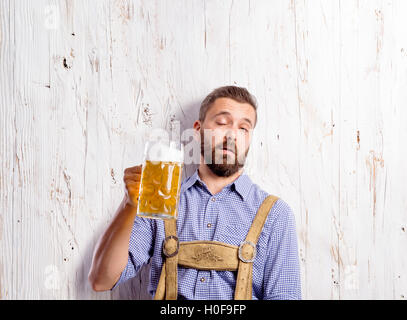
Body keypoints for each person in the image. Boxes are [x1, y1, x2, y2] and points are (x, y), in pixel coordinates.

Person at [88, 85, 301, 299]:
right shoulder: (160, 200)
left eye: (243, 128)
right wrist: (129, 205)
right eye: (222, 123)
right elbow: (101, 280)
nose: (232, 135)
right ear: (197, 130)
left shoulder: (275, 215)